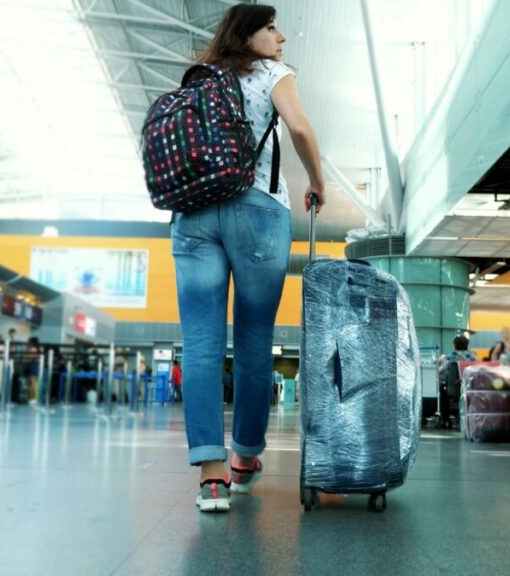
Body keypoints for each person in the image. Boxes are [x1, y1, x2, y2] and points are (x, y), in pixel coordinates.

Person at [171, 3, 326, 513]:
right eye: (271, 28)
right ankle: (243, 460)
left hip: (192, 215)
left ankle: (210, 479)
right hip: (257, 211)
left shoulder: (200, 77)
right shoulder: (271, 73)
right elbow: (299, 128)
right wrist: (318, 185)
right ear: (249, 35)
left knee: (199, 345)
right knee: (255, 341)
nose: (281, 38)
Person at [25, 337, 42, 405]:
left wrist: (27, 350)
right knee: (34, 383)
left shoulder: (32, 349)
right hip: (37, 364)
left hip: (33, 364)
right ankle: (34, 398)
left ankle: (33, 398)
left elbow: (29, 357)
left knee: (32, 383)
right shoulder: (40, 348)